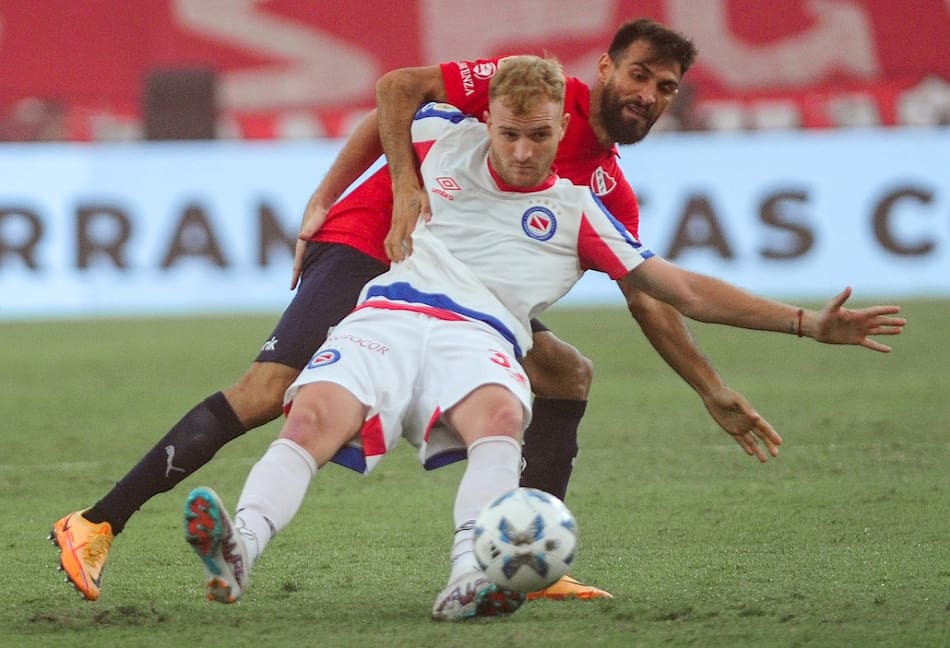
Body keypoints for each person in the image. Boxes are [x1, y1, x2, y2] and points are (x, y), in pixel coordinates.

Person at [181, 54, 904, 622]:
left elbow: (681, 291)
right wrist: (352, 194)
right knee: (312, 416)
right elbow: (393, 95)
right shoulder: (441, 139)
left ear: (564, 128)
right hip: (388, 316)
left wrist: (806, 323)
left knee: (500, 415)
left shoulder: (581, 212)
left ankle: (470, 577)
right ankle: (241, 546)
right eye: (509, 133)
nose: (523, 151)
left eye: (540, 135)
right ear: (487, 121)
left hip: (480, 339)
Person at [53, 19, 751, 603]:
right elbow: (395, 98)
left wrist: (711, 388)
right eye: (638, 76)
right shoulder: (529, 88)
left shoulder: (607, 185)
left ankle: (523, 557)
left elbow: (651, 299)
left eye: (664, 88)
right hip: (371, 238)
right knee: (266, 391)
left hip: (451, 278)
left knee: (567, 372)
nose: (647, 95)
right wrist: (335, 196)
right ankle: (97, 522)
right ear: (607, 69)